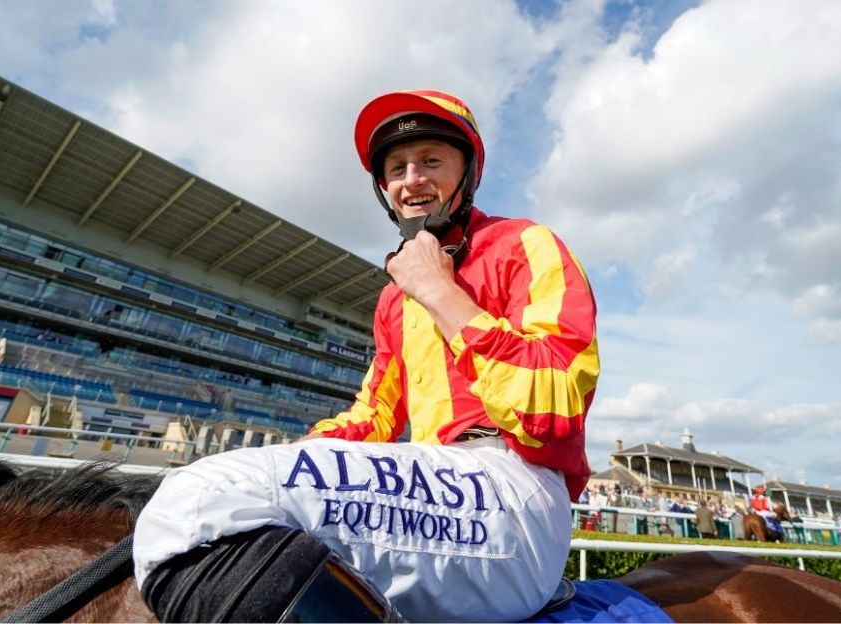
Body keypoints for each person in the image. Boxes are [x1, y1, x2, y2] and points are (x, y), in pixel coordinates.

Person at [131, 89, 599, 623]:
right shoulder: (394, 299)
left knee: (191, 504)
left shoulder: (526, 244)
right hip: (434, 486)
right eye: (396, 168)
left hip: (517, 487)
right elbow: (373, 416)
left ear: (468, 171)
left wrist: (441, 293)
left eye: (430, 160)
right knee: (219, 491)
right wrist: (289, 459)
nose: (411, 179)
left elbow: (557, 407)